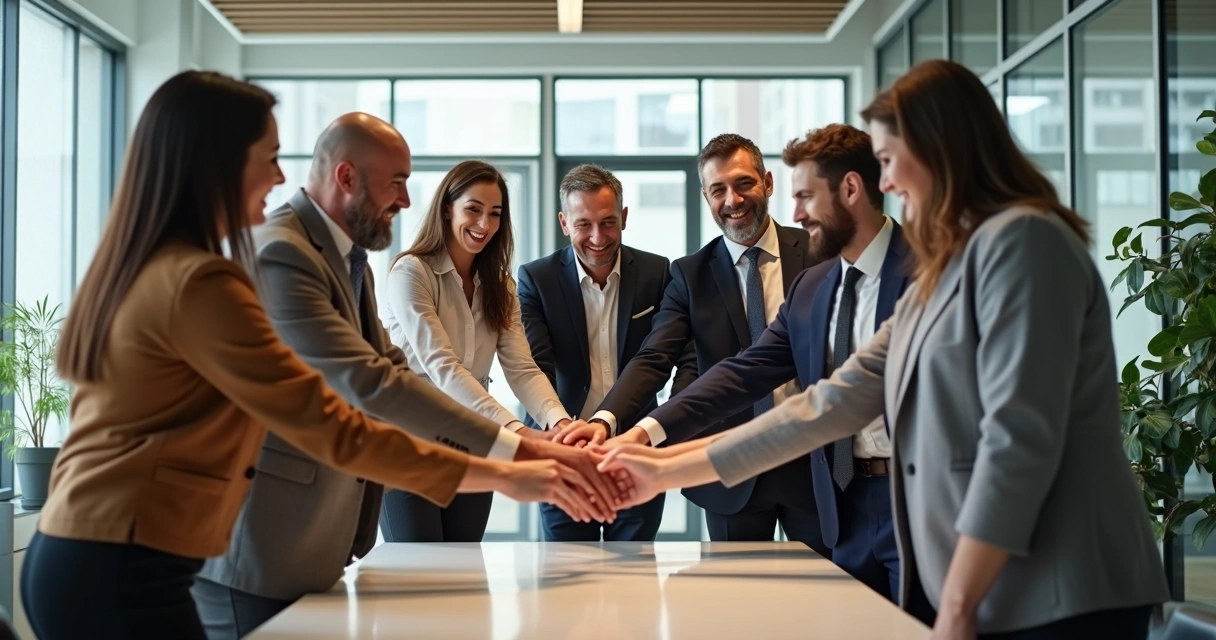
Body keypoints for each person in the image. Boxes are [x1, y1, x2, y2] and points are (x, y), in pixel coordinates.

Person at [598, 59, 1170, 639]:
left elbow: (1018, 437)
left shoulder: (1024, 241)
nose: (886, 182)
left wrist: (958, 603)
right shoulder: (949, 268)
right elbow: (830, 404)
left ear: (940, 149)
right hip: (1002, 580)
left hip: (1065, 585)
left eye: (891, 160)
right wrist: (662, 469)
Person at [19, 71, 600, 640]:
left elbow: (385, 374)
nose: (279, 176)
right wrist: (510, 467)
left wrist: (520, 457)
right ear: (219, 164)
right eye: (269, 157)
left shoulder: (202, 265)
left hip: (118, 552)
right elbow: (340, 414)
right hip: (119, 559)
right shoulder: (223, 273)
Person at [193, 115, 619, 639]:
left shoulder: (356, 263)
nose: (404, 200)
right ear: (348, 177)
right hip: (268, 537)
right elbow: (389, 380)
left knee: (457, 592)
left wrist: (552, 429)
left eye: (494, 214)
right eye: (396, 182)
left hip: (325, 523)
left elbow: (420, 368)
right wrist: (523, 447)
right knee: (418, 597)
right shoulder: (307, 254)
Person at [609, 125, 908, 598]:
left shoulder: (931, 272)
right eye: (718, 189)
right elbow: (743, 372)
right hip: (842, 501)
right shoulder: (818, 284)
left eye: (805, 196)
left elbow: (824, 408)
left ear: (850, 189)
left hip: (902, 497)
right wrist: (643, 435)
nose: (796, 213)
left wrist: (665, 469)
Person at [563, 134, 826, 554]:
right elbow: (654, 357)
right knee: (734, 607)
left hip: (816, 465)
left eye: (743, 183)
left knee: (827, 603)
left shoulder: (819, 253)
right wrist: (605, 421)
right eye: (718, 189)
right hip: (728, 471)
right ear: (705, 196)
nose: (733, 200)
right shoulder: (689, 275)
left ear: (768, 182)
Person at [380, 160, 592, 542]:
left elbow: (523, 369)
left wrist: (559, 425)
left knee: (464, 566)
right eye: (473, 209)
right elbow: (442, 367)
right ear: (447, 208)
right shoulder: (411, 272)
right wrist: (516, 432)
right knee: (418, 567)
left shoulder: (500, 286)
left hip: (474, 443)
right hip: (410, 439)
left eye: (494, 214)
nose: (484, 225)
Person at [517, 164, 698, 542]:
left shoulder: (657, 272)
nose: (598, 237)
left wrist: (669, 421)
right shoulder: (538, 279)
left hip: (635, 448)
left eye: (608, 222)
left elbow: (681, 355)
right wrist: (564, 432)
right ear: (564, 223)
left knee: (634, 574)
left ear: (625, 218)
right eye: (584, 224)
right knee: (565, 575)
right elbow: (535, 366)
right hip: (562, 450)